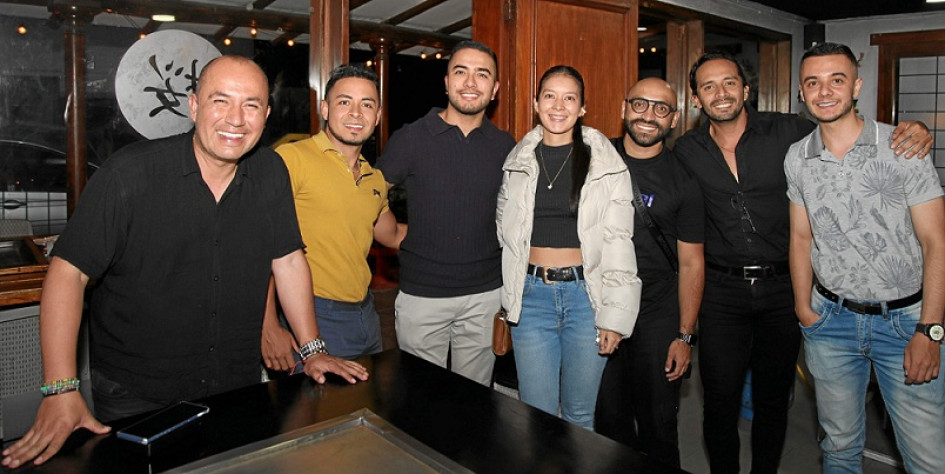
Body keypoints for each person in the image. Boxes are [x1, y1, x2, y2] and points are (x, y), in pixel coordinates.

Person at [1, 56, 368, 469]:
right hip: (136, 392)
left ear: (266, 115)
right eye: (220, 101)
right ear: (193, 105)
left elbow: (288, 260)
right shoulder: (130, 173)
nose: (236, 118)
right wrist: (61, 389)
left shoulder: (270, 172)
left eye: (251, 105)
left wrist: (313, 350)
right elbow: (68, 272)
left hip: (234, 384)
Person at [673, 51, 932, 473]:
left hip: (784, 289)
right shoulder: (685, 150)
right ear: (697, 99)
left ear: (746, 89)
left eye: (729, 83)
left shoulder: (789, 131)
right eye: (708, 86)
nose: (721, 93)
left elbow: (844, 126)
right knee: (718, 403)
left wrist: (914, 130)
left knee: (774, 402)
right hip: (722, 295)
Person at [787, 42, 945, 473]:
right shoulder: (798, 157)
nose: (824, 92)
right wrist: (804, 309)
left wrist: (931, 331)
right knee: (838, 448)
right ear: (801, 93)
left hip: (905, 324)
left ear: (856, 86)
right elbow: (801, 237)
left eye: (836, 80)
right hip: (830, 321)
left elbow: (937, 242)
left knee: (927, 456)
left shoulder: (902, 147)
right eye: (813, 82)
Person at [497, 65, 642, 429]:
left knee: (579, 415)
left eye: (569, 98)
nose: (558, 105)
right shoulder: (516, 162)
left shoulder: (607, 164)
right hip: (531, 300)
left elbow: (619, 241)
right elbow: (505, 231)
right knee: (536, 414)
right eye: (549, 96)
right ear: (536, 103)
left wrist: (616, 316)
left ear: (582, 108)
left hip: (586, 299)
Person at [375, 40, 515, 386]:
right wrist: (392, 234)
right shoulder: (411, 138)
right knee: (421, 400)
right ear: (446, 82)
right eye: (461, 72)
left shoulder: (506, 147)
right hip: (422, 295)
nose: (470, 82)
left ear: (495, 89)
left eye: (482, 75)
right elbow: (371, 193)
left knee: (474, 400)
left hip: (485, 296)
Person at [594, 78, 704, 465]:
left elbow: (691, 263)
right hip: (599, 306)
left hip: (657, 313)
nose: (648, 116)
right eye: (640, 105)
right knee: (606, 421)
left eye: (661, 109)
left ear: (674, 120)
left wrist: (685, 336)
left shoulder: (684, 179)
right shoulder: (593, 156)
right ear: (624, 108)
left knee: (658, 425)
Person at [261, 65, 403, 368]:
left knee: (364, 409)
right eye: (344, 102)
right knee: (316, 412)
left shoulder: (374, 178)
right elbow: (259, 245)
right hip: (310, 312)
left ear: (377, 117)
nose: (356, 113)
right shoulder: (291, 160)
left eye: (367, 105)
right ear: (325, 108)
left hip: (367, 313)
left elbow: (392, 235)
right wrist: (268, 324)